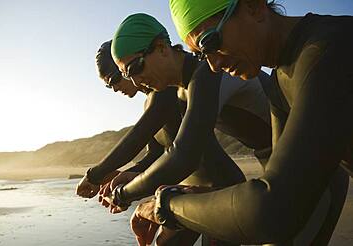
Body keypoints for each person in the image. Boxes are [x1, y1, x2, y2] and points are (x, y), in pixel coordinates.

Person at [128, 0, 351, 245]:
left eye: (210, 42)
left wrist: (167, 206)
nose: (213, 64)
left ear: (254, 7)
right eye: (201, 54)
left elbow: (273, 210)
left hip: (316, 188)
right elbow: (273, 183)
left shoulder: (328, 49)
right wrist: (198, 200)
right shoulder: (280, 80)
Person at [101, 13, 274, 244]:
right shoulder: (183, 91)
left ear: (162, 48)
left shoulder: (207, 72)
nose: (134, 82)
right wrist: (138, 180)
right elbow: (173, 151)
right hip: (273, 170)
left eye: (134, 68)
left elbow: (185, 156)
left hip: (298, 172)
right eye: (125, 75)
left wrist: (124, 194)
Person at [75, 41, 247, 245]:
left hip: (218, 186)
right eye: (107, 85)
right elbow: (156, 154)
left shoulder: (166, 90)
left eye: (114, 79)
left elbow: (141, 137)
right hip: (187, 188)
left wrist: (96, 174)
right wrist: (127, 174)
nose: (114, 88)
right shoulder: (151, 100)